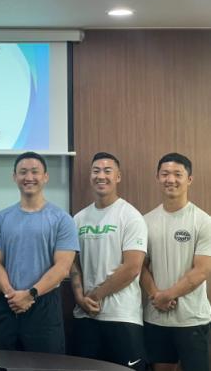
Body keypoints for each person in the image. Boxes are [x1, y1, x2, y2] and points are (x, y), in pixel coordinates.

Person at [0, 151, 79, 354]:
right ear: (14, 177)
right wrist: (13, 295)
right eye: (23, 172)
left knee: (45, 366)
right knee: (2, 362)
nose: (29, 177)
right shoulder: (1, 218)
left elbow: (63, 267)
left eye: (35, 172)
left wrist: (30, 294)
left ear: (45, 177)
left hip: (44, 304)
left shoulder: (62, 219)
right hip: (8, 302)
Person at [70, 152, 147, 369]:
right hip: (85, 316)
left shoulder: (131, 216)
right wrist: (79, 298)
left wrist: (95, 296)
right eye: (96, 171)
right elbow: (72, 262)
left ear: (118, 177)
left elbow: (132, 267)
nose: (101, 176)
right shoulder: (78, 219)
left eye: (107, 171)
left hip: (122, 316)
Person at [140, 153, 211, 371]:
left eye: (177, 174)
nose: (170, 179)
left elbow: (202, 270)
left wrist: (167, 295)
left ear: (189, 179)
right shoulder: (145, 221)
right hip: (156, 317)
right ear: (157, 178)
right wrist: (156, 295)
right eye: (165, 174)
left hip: (192, 318)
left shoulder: (203, 221)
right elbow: (140, 266)